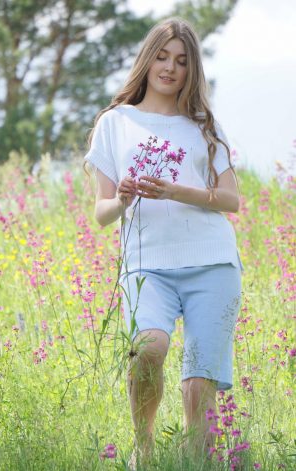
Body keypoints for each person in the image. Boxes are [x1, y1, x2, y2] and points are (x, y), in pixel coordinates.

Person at [83, 17, 244, 469]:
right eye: (162, 56)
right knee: (148, 347)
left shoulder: (203, 125)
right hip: (146, 263)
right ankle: (144, 445)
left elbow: (231, 199)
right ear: (147, 58)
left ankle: (194, 461)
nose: (170, 68)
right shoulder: (114, 123)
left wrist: (176, 191)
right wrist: (122, 197)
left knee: (198, 385)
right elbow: (101, 213)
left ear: (192, 70)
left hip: (212, 262)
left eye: (181, 61)